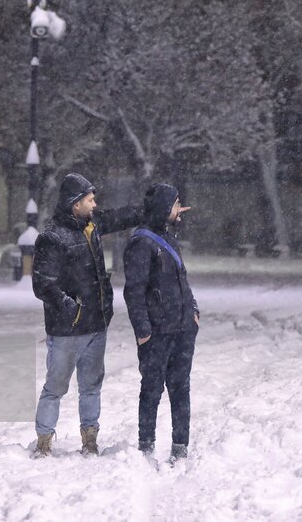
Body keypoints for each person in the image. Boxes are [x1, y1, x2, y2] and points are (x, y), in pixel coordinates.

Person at [31, 173, 142, 457]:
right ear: (75, 203)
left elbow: (120, 217)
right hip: (67, 330)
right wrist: (71, 306)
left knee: (91, 386)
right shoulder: (52, 237)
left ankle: (89, 440)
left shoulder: (91, 226)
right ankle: (44, 442)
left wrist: (154, 208)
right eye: (90, 200)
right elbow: (43, 284)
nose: (95, 204)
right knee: (55, 387)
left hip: (96, 326)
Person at [123, 183, 199, 463]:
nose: (181, 210)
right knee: (152, 390)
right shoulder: (141, 243)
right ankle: (146, 445)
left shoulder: (168, 237)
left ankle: (180, 445)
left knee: (181, 389)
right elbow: (134, 291)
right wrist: (143, 331)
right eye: (177, 205)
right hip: (156, 333)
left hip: (182, 329)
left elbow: (182, 280)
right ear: (164, 208)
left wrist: (193, 312)